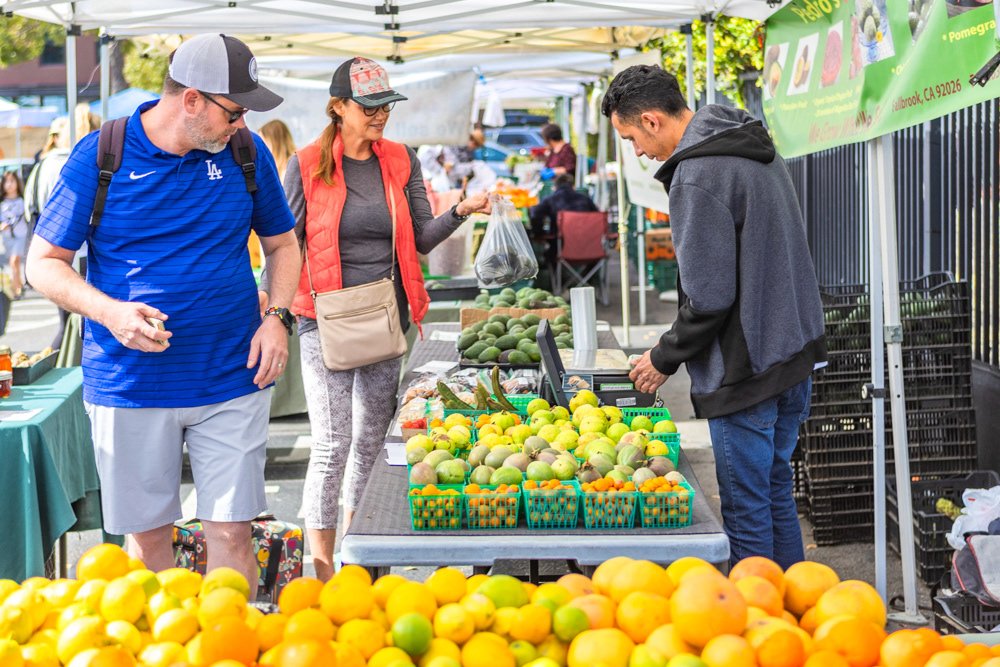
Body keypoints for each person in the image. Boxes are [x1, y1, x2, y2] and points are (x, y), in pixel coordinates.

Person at [26, 33, 300, 591]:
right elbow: (43, 263)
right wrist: (111, 313)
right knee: (149, 541)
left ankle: (229, 634)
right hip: (130, 383)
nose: (242, 124)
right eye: (234, 111)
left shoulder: (246, 153)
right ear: (191, 99)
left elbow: (283, 246)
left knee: (233, 534)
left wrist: (279, 317)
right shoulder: (100, 154)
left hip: (233, 376)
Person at [603, 64, 827, 568]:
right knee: (775, 492)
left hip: (747, 369)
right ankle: (793, 606)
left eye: (632, 138)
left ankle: (756, 614)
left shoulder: (697, 174)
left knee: (747, 508)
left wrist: (664, 357)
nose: (637, 151)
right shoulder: (749, 145)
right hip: (792, 352)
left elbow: (708, 297)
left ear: (652, 120)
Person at [285, 56, 490, 581]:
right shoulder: (305, 165)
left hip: (383, 317)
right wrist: (273, 312)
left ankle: (362, 562)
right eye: (369, 106)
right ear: (338, 107)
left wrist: (460, 211)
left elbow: (421, 238)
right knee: (331, 444)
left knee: (372, 443)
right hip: (324, 319)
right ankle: (324, 572)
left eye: (386, 106)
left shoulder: (401, 160)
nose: (380, 115)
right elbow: (287, 245)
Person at [25, 107, 103, 349]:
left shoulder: (42, 164)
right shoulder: (71, 163)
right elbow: (65, 214)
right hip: (70, 253)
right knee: (71, 325)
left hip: (49, 243)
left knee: (66, 324)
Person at [528, 172, 598, 277]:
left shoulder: (550, 199)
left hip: (560, 248)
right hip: (589, 248)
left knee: (549, 254)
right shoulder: (585, 199)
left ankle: (559, 282)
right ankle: (586, 280)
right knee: (597, 255)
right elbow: (597, 219)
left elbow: (534, 214)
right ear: (573, 186)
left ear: (555, 187)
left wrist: (538, 233)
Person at [1, 171, 28, 298]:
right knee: (13, 263)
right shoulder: (2, 203)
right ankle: (19, 283)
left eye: (12, 181)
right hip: (7, 237)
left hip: (21, 235)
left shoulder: (23, 201)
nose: (9, 184)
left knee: (14, 260)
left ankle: (16, 289)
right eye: (6, 181)